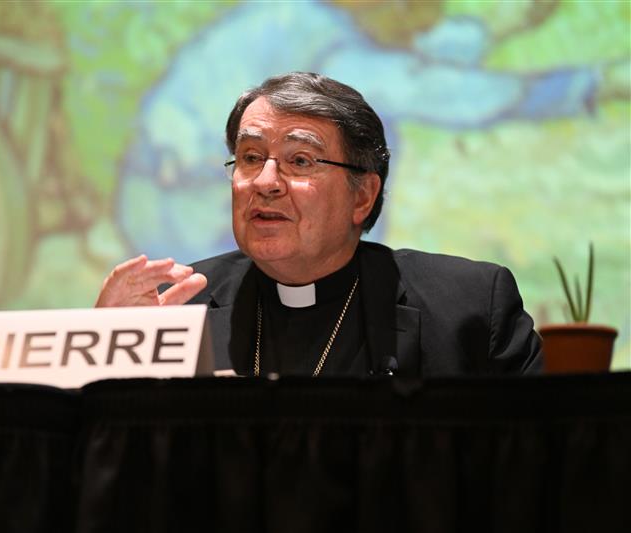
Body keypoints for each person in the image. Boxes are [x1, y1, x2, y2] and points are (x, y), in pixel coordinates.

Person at [95, 72, 542, 377]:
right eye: (250, 158)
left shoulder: (468, 311)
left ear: (362, 196)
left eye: (300, 160)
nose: (265, 182)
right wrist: (103, 352)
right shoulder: (177, 312)